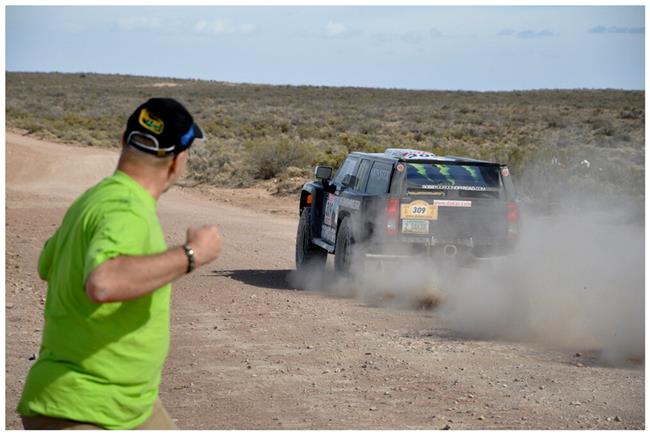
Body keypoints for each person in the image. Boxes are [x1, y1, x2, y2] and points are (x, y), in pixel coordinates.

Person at [17, 97, 223, 430]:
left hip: (126, 404)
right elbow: (103, 282)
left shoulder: (95, 198)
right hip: (86, 407)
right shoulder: (126, 207)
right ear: (178, 160)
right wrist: (192, 254)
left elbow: (46, 264)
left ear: (122, 143)